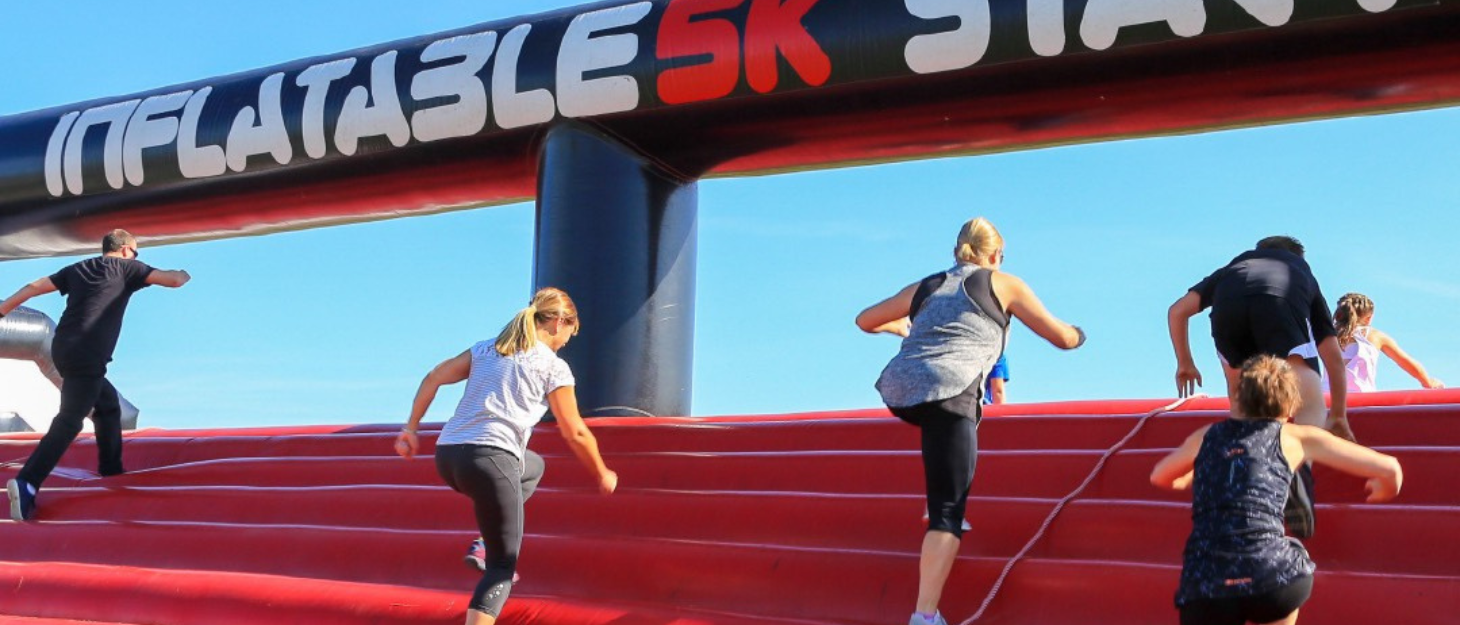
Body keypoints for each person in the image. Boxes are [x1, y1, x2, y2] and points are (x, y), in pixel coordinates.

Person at [857, 217, 1084, 625]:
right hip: (951, 389)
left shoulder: (928, 286)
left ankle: (941, 500)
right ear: (995, 255)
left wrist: (904, 331)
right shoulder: (1004, 283)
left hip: (902, 389)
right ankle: (925, 616)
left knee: (940, 437)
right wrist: (1079, 333)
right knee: (948, 513)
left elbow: (864, 319)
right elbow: (1061, 338)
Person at [394, 287, 617, 625]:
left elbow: (433, 377)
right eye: (571, 331)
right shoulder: (553, 367)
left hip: (450, 456)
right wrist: (601, 472)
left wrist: (410, 428)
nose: (567, 340)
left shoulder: (487, 349)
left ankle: (485, 540)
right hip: (491, 460)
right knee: (501, 568)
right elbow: (575, 431)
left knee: (533, 465)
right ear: (558, 322)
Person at [1151, 355, 1402, 625]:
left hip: (1207, 582)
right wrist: (1383, 489)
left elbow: (1161, 477)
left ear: (1237, 399)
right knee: (1291, 554)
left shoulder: (1205, 437)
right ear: (1290, 405)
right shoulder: (1297, 437)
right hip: (1270, 576)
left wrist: (1194, 475)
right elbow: (1390, 469)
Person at [1, 229, 190, 522]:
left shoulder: (80, 268)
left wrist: (3, 308)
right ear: (126, 249)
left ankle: (111, 470)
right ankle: (28, 482)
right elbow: (174, 280)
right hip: (87, 353)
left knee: (107, 405)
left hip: (61, 349)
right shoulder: (129, 268)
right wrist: (182, 272)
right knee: (70, 420)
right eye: (136, 252)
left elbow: (34, 286)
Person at [1329, 292, 1444, 392]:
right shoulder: (1374, 336)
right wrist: (1427, 382)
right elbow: (1405, 361)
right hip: (1361, 400)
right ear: (1369, 318)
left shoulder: (1328, 336)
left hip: (1327, 401)